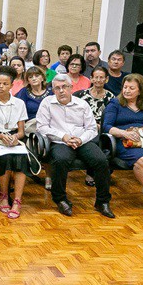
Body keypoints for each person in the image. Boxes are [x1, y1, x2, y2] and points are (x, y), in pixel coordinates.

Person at [37, 74, 113, 218]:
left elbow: (91, 128)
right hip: (59, 141)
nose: (61, 91)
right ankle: (60, 199)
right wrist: (63, 136)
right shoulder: (47, 103)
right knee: (61, 160)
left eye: (64, 87)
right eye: (57, 88)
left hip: (82, 140)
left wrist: (80, 139)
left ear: (71, 88)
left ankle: (102, 201)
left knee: (101, 161)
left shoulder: (82, 104)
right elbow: (42, 127)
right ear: (53, 90)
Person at [103, 73, 143, 216]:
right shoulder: (115, 104)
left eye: (131, 88)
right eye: (125, 87)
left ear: (140, 90)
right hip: (125, 141)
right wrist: (123, 133)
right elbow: (106, 126)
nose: (126, 90)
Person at [0, 68, 31, 219]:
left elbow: (22, 131)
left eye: (5, 84)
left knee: (21, 158)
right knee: (6, 158)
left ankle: (17, 200)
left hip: (13, 138)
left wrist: (15, 137)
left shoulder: (19, 103)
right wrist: (1, 136)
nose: (1, 86)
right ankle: (3, 195)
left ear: (11, 86)